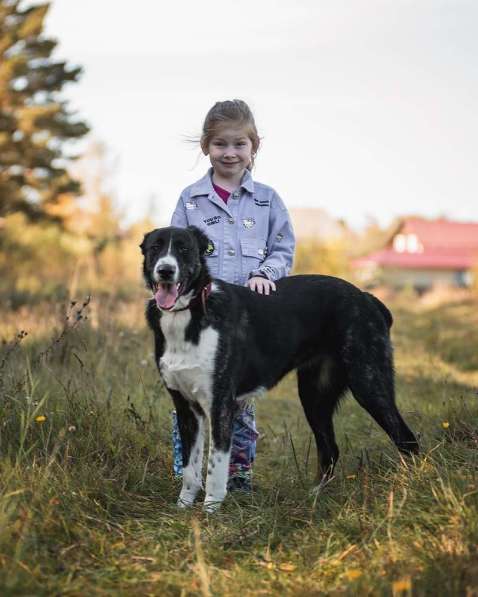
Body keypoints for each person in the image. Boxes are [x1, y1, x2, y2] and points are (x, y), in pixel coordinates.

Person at [170, 99, 295, 491]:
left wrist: (266, 273)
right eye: (221, 144)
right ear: (206, 146)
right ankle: (188, 473)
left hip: (246, 318)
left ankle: (237, 473)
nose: (230, 152)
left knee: (237, 396)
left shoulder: (267, 200)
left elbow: (283, 248)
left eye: (239, 144)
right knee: (190, 397)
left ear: (253, 146)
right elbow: (174, 251)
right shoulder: (191, 199)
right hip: (198, 318)